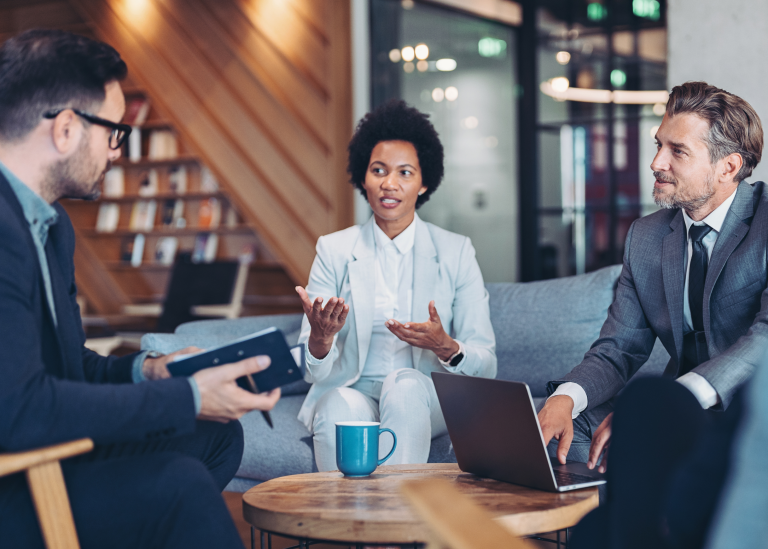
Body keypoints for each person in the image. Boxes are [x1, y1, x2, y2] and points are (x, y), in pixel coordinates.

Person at [0, 30, 280, 548]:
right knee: (180, 488)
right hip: (15, 477)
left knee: (216, 436)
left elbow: (68, 366)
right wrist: (188, 394)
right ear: (65, 129)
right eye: (114, 133)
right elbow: (20, 412)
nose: (117, 152)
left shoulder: (50, 226)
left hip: (46, 447)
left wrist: (149, 371)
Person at [537, 81, 766, 473]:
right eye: (659, 145)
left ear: (729, 166)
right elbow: (619, 348)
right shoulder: (646, 236)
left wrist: (663, 407)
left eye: (678, 151)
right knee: (555, 432)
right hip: (676, 409)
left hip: (751, 408)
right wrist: (565, 398)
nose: (657, 163)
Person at [294, 100, 497, 471]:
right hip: (353, 390)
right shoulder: (334, 249)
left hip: (426, 395)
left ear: (423, 183)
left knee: (404, 386)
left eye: (405, 172)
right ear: (363, 178)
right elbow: (314, 372)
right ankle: (339, 526)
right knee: (336, 403)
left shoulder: (455, 251)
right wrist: (320, 340)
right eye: (378, 170)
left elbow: (487, 364)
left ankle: (395, 526)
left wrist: (447, 347)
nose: (390, 183)